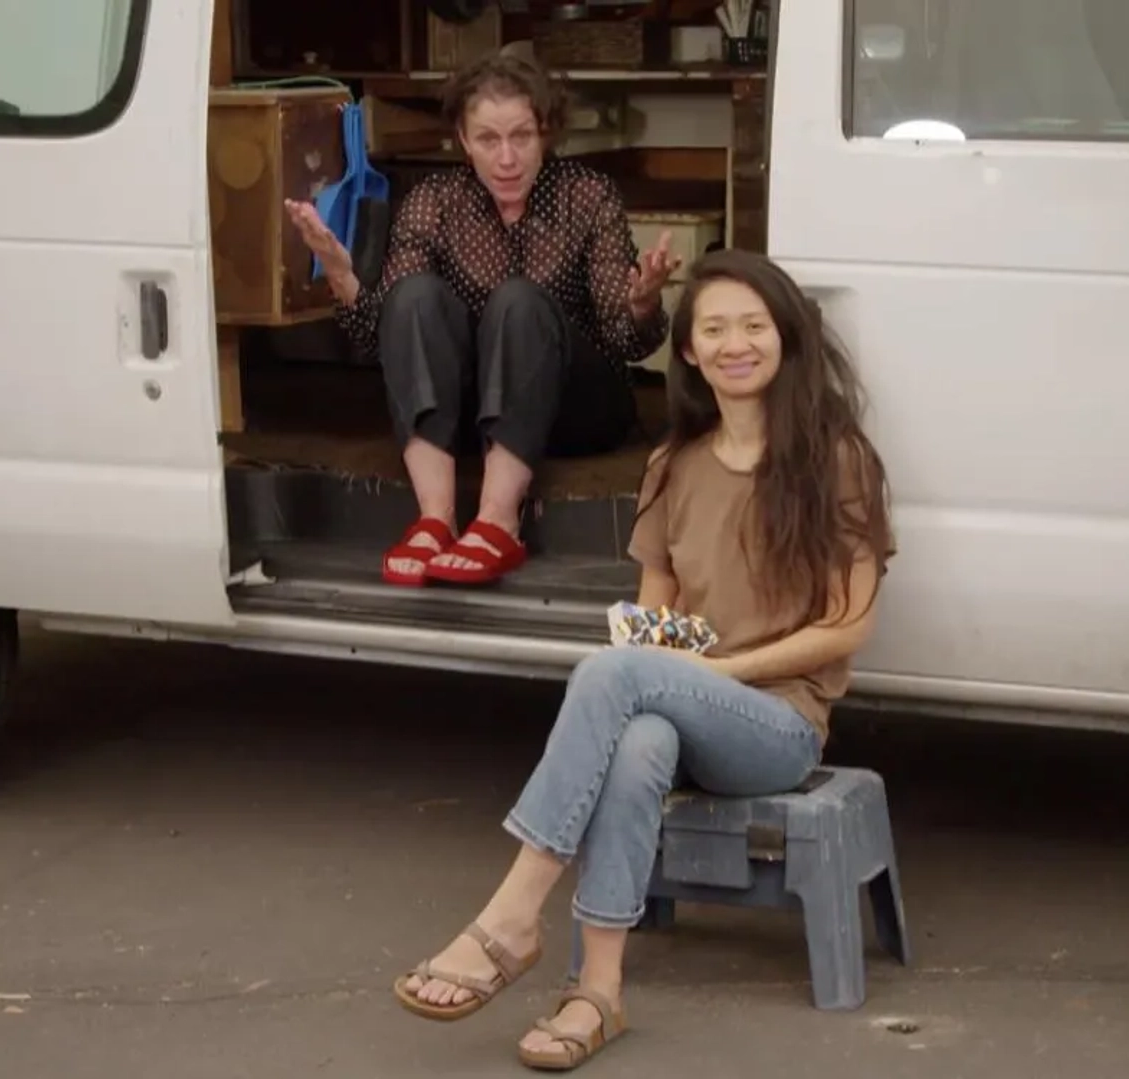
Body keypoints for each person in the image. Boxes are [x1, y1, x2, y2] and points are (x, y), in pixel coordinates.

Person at [387, 248, 896, 1070]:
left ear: (787, 338)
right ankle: (599, 991)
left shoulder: (836, 459)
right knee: (637, 735)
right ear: (689, 351)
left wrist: (711, 674)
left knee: (616, 675)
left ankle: (515, 912)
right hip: (685, 707)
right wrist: (662, 662)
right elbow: (656, 619)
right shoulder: (675, 465)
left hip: (778, 724)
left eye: (754, 326)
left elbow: (849, 626)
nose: (737, 344)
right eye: (715, 329)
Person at [283, 53, 682, 588]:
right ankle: (435, 520)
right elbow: (388, 333)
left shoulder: (587, 195)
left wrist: (642, 301)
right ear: (464, 141)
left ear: (546, 133)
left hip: (575, 408)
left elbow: (624, 338)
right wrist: (341, 276)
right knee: (414, 294)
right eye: (489, 139)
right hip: (470, 417)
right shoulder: (434, 202)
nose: (508, 157)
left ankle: (497, 522)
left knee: (518, 301)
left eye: (522, 136)